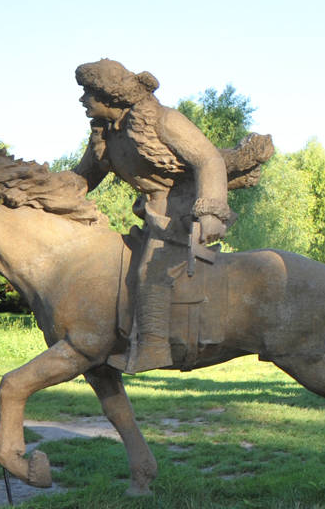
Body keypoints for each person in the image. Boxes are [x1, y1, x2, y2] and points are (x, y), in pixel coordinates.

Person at [73, 59, 235, 372]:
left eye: (88, 94)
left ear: (110, 96)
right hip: (151, 214)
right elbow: (82, 179)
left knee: (153, 271)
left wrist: (212, 211)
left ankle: (154, 349)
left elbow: (209, 159)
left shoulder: (164, 120)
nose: (83, 101)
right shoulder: (106, 135)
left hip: (181, 207)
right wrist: (36, 190)